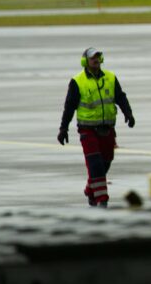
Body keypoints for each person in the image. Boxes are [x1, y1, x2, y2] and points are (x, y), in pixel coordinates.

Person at [58, 47, 135, 207]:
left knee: (106, 161)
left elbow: (120, 97)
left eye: (98, 57)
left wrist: (128, 113)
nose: (96, 60)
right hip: (88, 130)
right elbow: (69, 107)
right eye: (93, 57)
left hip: (107, 128)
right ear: (85, 61)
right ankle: (102, 199)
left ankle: (90, 189)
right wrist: (63, 128)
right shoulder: (77, 82)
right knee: (96, 165)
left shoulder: (111, 78)